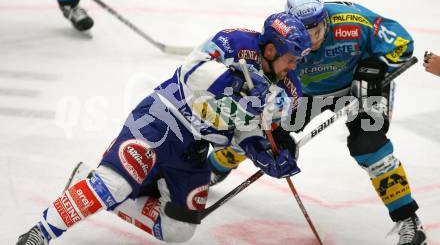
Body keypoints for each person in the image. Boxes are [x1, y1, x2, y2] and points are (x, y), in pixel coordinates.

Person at [15, 12, 311, 244]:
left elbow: (249, 127)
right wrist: (232, 84)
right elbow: (192, 70)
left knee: (179, 229)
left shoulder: (286, 88)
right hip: (163, 119)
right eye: (291, 59)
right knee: (114, 183)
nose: (294, 67)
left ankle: (92, 183)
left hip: (195, 147)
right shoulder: (236, 42)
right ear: (271, 49)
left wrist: (262, 153)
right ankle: (41, 232)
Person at [207, 0, 427, 245]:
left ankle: (409, 221)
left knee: (369, 145)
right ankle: (214, 167)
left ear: (327, 21)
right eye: (306, 34)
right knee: (264, 139)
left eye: (319, 32)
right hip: (305, 95)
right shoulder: (279, 39)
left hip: (362, 87)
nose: (313, 41)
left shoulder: (352, 21)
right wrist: (275, 129)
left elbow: (402, 43)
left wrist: (373, 68)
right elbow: (267, 83)